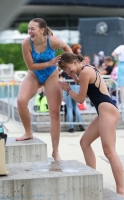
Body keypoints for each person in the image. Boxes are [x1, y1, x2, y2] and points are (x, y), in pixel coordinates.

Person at [58, 53, 124, 198]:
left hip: (107, 111)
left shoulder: (84, 72)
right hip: (105, 110)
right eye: (65, 70)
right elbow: (90, 89)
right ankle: (92, 179)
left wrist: (67, 89)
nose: (68, 72)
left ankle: (121, 190)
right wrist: (74, 78)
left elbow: (80, 99)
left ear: (74, 61)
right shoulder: (86, 69)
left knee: (109, 152)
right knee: (84, 142)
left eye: (68, 68)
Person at [16, 18, 72, 161]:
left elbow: (66, 47)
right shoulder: (26, 43)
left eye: (32, 28)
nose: (29, 31)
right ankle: (28, 132)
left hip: (51, 74)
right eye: (28, 28)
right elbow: (31, 67)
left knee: (55, 113)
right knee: (21, 101)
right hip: (34, 74)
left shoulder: (52, 41)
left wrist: (71, 64)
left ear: (42, 30)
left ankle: (55, 152)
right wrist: (48, 62)